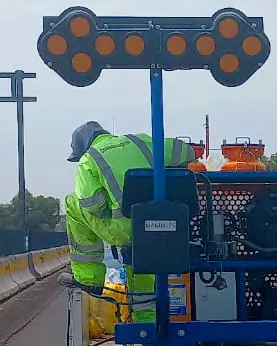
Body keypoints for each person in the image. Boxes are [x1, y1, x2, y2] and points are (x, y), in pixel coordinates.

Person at [64, 121, 195, 322]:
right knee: (144, 253)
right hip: (167, 222)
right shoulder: (140, 141)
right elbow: (187, 152)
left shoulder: (89, 159)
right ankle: (149, 319)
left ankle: (88, 278)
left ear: (83, 147)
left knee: (73, 203)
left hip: (126, 230)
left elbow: (93, 206)